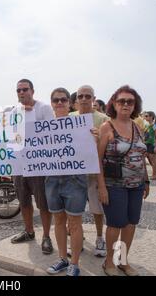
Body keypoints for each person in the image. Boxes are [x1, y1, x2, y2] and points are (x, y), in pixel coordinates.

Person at [45, 88, 98, 276]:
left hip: (75, 179)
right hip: (52, 179)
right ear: (51, 103)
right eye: (55, 100)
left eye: (63, 100)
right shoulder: (44, 127)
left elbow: (91, 151)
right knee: (58, 221)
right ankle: (62, 259)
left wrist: (94, 138)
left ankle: (74, 263)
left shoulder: (80, 124)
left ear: (70, 103)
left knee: (74, 223)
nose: (59, 103)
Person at [98, 85, 149, 276]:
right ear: (114, 103)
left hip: (136, 185)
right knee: (115, 224)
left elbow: (141, 155)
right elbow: (98, 159)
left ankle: (123, 261)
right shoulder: (107, 126)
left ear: (135, 105)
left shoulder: (137, 126)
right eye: (122, 101)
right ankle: (108, 262)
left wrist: (146, 180)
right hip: (114, 185)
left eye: (130, 101)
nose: (126, 104)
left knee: (130, 224)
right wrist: (101, 187)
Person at [10, 79, 55, 254]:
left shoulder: (43, 108)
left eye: (24, 89)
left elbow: (52, 133)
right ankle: (29, 231)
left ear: (32, 91)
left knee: (43, 203)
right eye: (18, 90)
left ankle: (46, 236)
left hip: (38, 166)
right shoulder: (14, 111)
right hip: (18, 165)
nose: (21, 93)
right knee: (24, 201)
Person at [71, 85, 109, 257]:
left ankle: (100, 237)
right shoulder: (69, 118)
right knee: (73, 208)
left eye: (88, 96)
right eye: (81, 96)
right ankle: (77, 239)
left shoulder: (103, 119)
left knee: (97, 209)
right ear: (77, 99)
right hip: (74, 172)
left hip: (94, 173)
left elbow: (108, 147)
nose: (84, 99)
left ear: (94, 99)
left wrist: (99, 138)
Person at [143, 111, 156, 180]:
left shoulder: (154, 125)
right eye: (145, 116)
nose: (145, 117)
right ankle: (152, 174)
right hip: (147, 144)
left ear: (151, 117)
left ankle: (154, 175)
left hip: (152, 145)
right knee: (149, 160)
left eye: (146, 116)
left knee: (153, 160)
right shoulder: (147, 125)